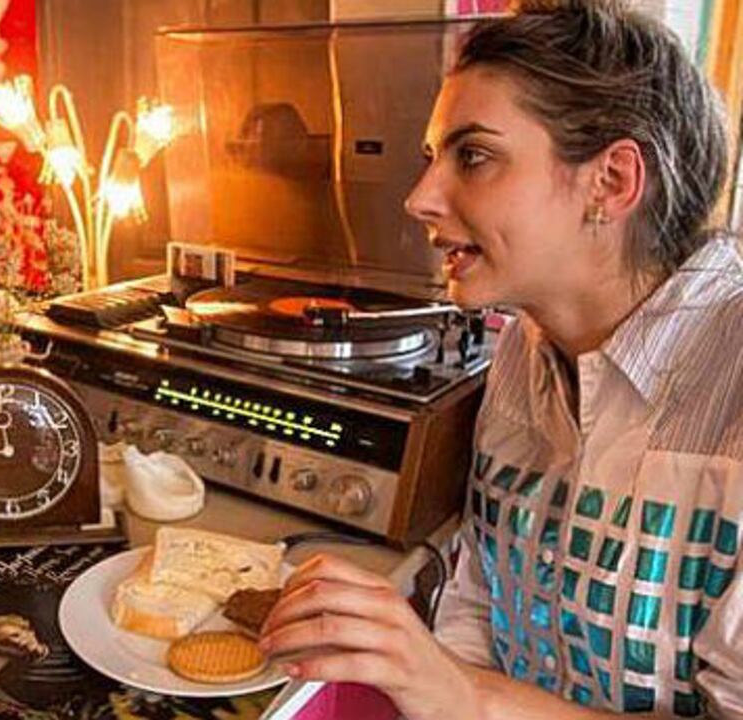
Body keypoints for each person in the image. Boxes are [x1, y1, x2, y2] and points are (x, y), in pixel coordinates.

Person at [260, 1, 743, 718]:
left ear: (610, 182)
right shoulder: (523, 344)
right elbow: (480, 607)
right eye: (431, 159)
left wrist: (461, 692)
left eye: (474, 156)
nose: (420, 198)